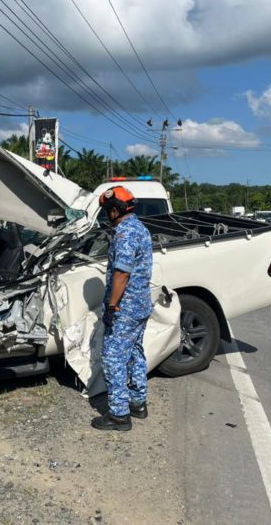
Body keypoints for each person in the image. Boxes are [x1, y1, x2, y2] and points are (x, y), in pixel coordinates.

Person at [92, 185, 154, 431]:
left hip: (125, 309)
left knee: (113, 358)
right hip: (141, 305)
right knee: (135, 353)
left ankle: (119, 415)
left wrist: (112, 306)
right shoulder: (140, 228)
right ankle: (137, 403)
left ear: (115, 210)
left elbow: (122, 273)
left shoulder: (125, 233)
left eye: (107, 211)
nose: (107, 216)